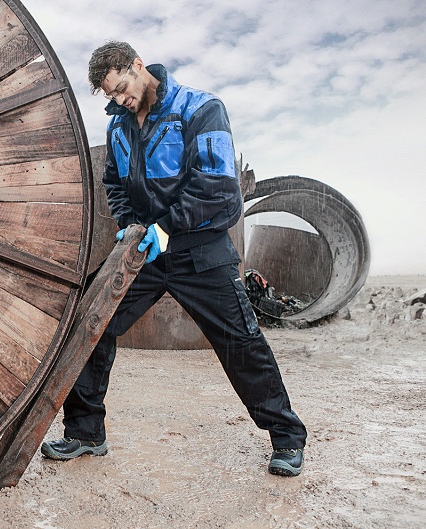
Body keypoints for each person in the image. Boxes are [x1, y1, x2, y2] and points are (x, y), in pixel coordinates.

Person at [40, 41, 307, 476]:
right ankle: (85, 433)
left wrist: (167, 228)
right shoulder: (119, 127)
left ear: (139, 65)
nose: (121, 100)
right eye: (112, 96)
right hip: (145, 252)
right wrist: (129, 222)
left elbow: (218, 187)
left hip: (200, 250)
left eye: (123, 88)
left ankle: (287, 439)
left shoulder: (200, 108)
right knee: (93, 323)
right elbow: (113, 181)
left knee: (240, 342)